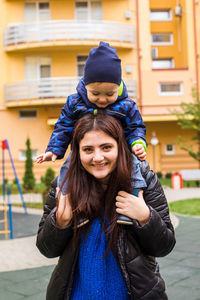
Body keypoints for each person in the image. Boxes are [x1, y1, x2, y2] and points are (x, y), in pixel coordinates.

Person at [36, 112, 175, 300]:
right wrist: (59, 222)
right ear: (78, 152)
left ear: (120, 147)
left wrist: (145, 217)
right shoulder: (64, 186)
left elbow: (164, 246)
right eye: (88, 150)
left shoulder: (143, 181)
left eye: (106, 147)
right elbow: (46, 249)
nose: (98, 157)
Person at [36, 41, 147, 224]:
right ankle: (69, 205)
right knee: (68, 167)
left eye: (109, 94)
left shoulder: (126, 105)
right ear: (85, 86)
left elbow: (136, 127)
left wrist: (137, 144)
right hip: (79, 153)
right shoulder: (75, 103)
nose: (102, 100)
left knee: (134, 167)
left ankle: (132, 205)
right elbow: (63, 126)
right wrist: (54, 149)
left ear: (118, 87)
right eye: (95, 94)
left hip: (122, 153)